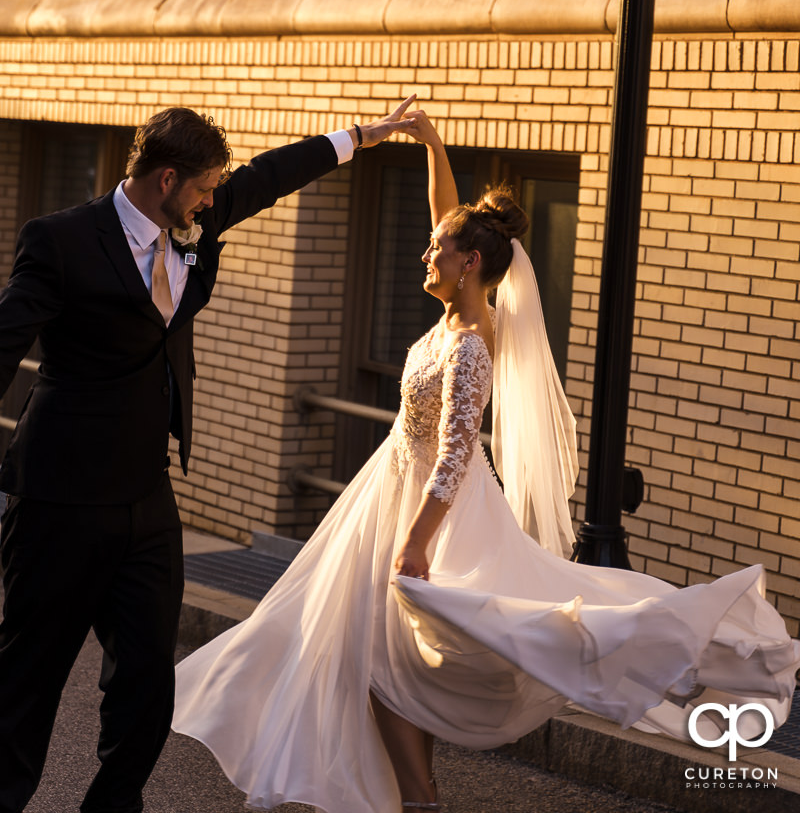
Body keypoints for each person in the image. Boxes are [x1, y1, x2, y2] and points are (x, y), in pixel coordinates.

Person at [172, 112, 799, 813]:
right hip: (393, 494)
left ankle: (421, 797)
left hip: (437, 510)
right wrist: (433, 145)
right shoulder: (454, 307)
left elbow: (454, 453)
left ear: (470, 264)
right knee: (375, 651)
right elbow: (451, 218)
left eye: (437, 250)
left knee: (406, 652)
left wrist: (415, 541)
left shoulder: (473, 341)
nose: (425, 254)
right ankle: (417, 796)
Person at [0, 96, 417, 813]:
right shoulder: (61, 240)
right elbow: (5, 339)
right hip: (59, 497)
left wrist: (359, 138)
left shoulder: (194, 220)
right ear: (166, 180)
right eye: (203, 186)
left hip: (146, 493)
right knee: (29, 681)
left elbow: (269, 175)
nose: (214, 197)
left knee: (147, 684)